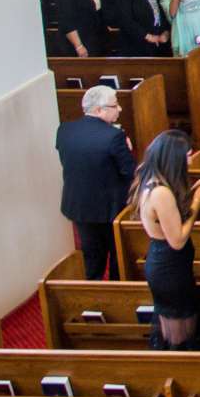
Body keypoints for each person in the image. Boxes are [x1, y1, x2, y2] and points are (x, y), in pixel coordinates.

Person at [56, 84, 135, 280]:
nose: (120, 109)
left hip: (79, 205)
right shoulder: (115, 137)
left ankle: (94, 293)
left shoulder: (65, 130)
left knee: (92, 256)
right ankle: (117, 290)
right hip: (111, 207)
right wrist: (128, 148)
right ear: (99, 110)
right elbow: (129, 171)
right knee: (118, 255)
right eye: (115, 106)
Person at [134, 129, 198, 349]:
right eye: (188, 155)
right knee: (178, 333)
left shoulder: (154, 181)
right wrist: (198, 202)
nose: (191, 159)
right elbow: (177, 239)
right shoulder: (161, 192)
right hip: (169, 267)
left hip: (172, 264)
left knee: (183, 323)